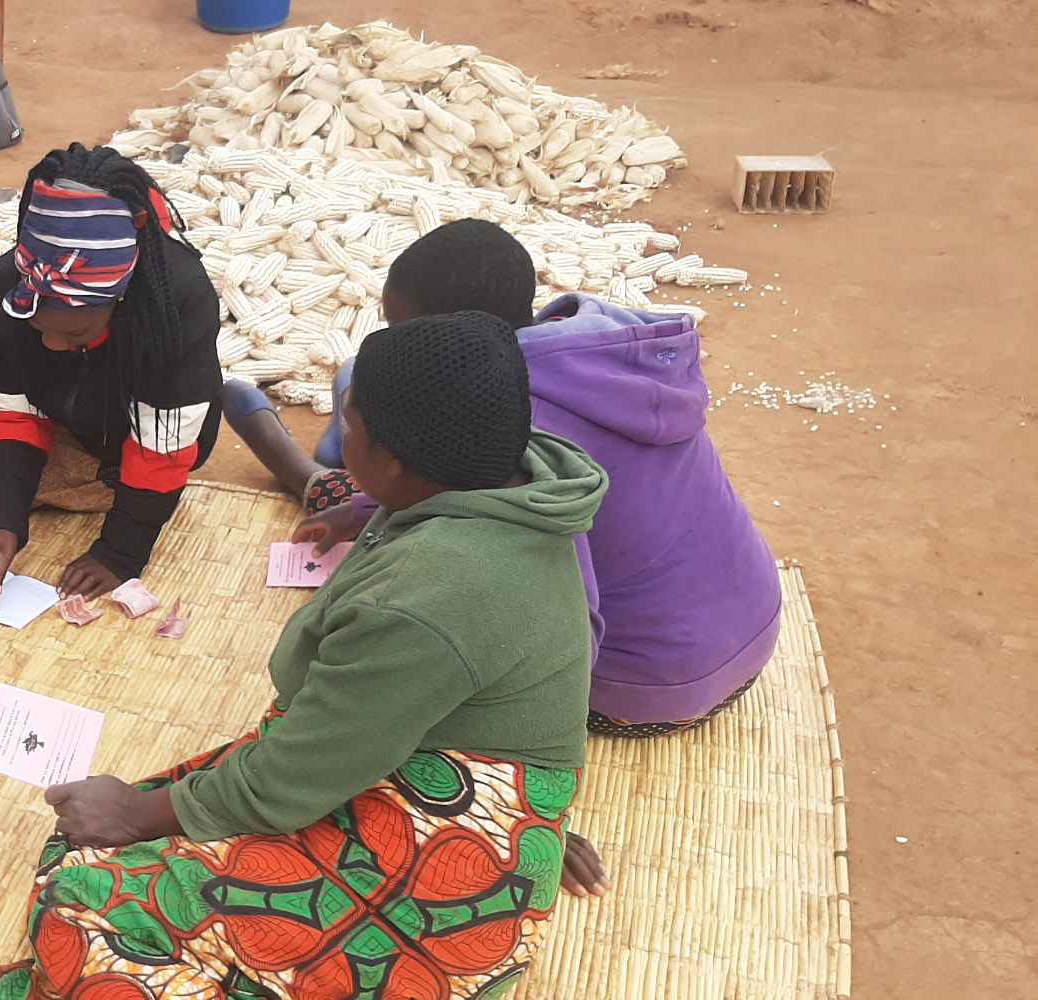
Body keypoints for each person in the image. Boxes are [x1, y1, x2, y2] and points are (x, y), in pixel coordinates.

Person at [0, 311, 606, 1000]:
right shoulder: (502, 487)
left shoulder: (428, 600)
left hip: (453, 873)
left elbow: (294, 776)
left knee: (84, 902)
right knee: (115, 829)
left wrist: (138, 815)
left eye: (351, 428)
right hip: (442, 780)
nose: (340, 445)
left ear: (394, 461)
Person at [224, 219, 782, 897]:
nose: (396, 340)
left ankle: (307, 468)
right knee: (360, 402)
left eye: (405, 329)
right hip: (750, 620)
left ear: (451, 339)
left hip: (652, 687)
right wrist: (365, 512)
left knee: (424, 664)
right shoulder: (597, 347)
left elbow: (565, 624)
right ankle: (327, 477)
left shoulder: (528, 441)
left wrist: (533, 811)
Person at [0, 143, 223, 603]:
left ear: (119, 300)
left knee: (145, 463)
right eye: (38, 328)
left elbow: (163, 446)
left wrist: (119, 554)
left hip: (151, 424)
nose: (52, 345)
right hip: (66, 410)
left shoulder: (174, 304)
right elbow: (15, 413)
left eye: (76, 332)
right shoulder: (5, 289)